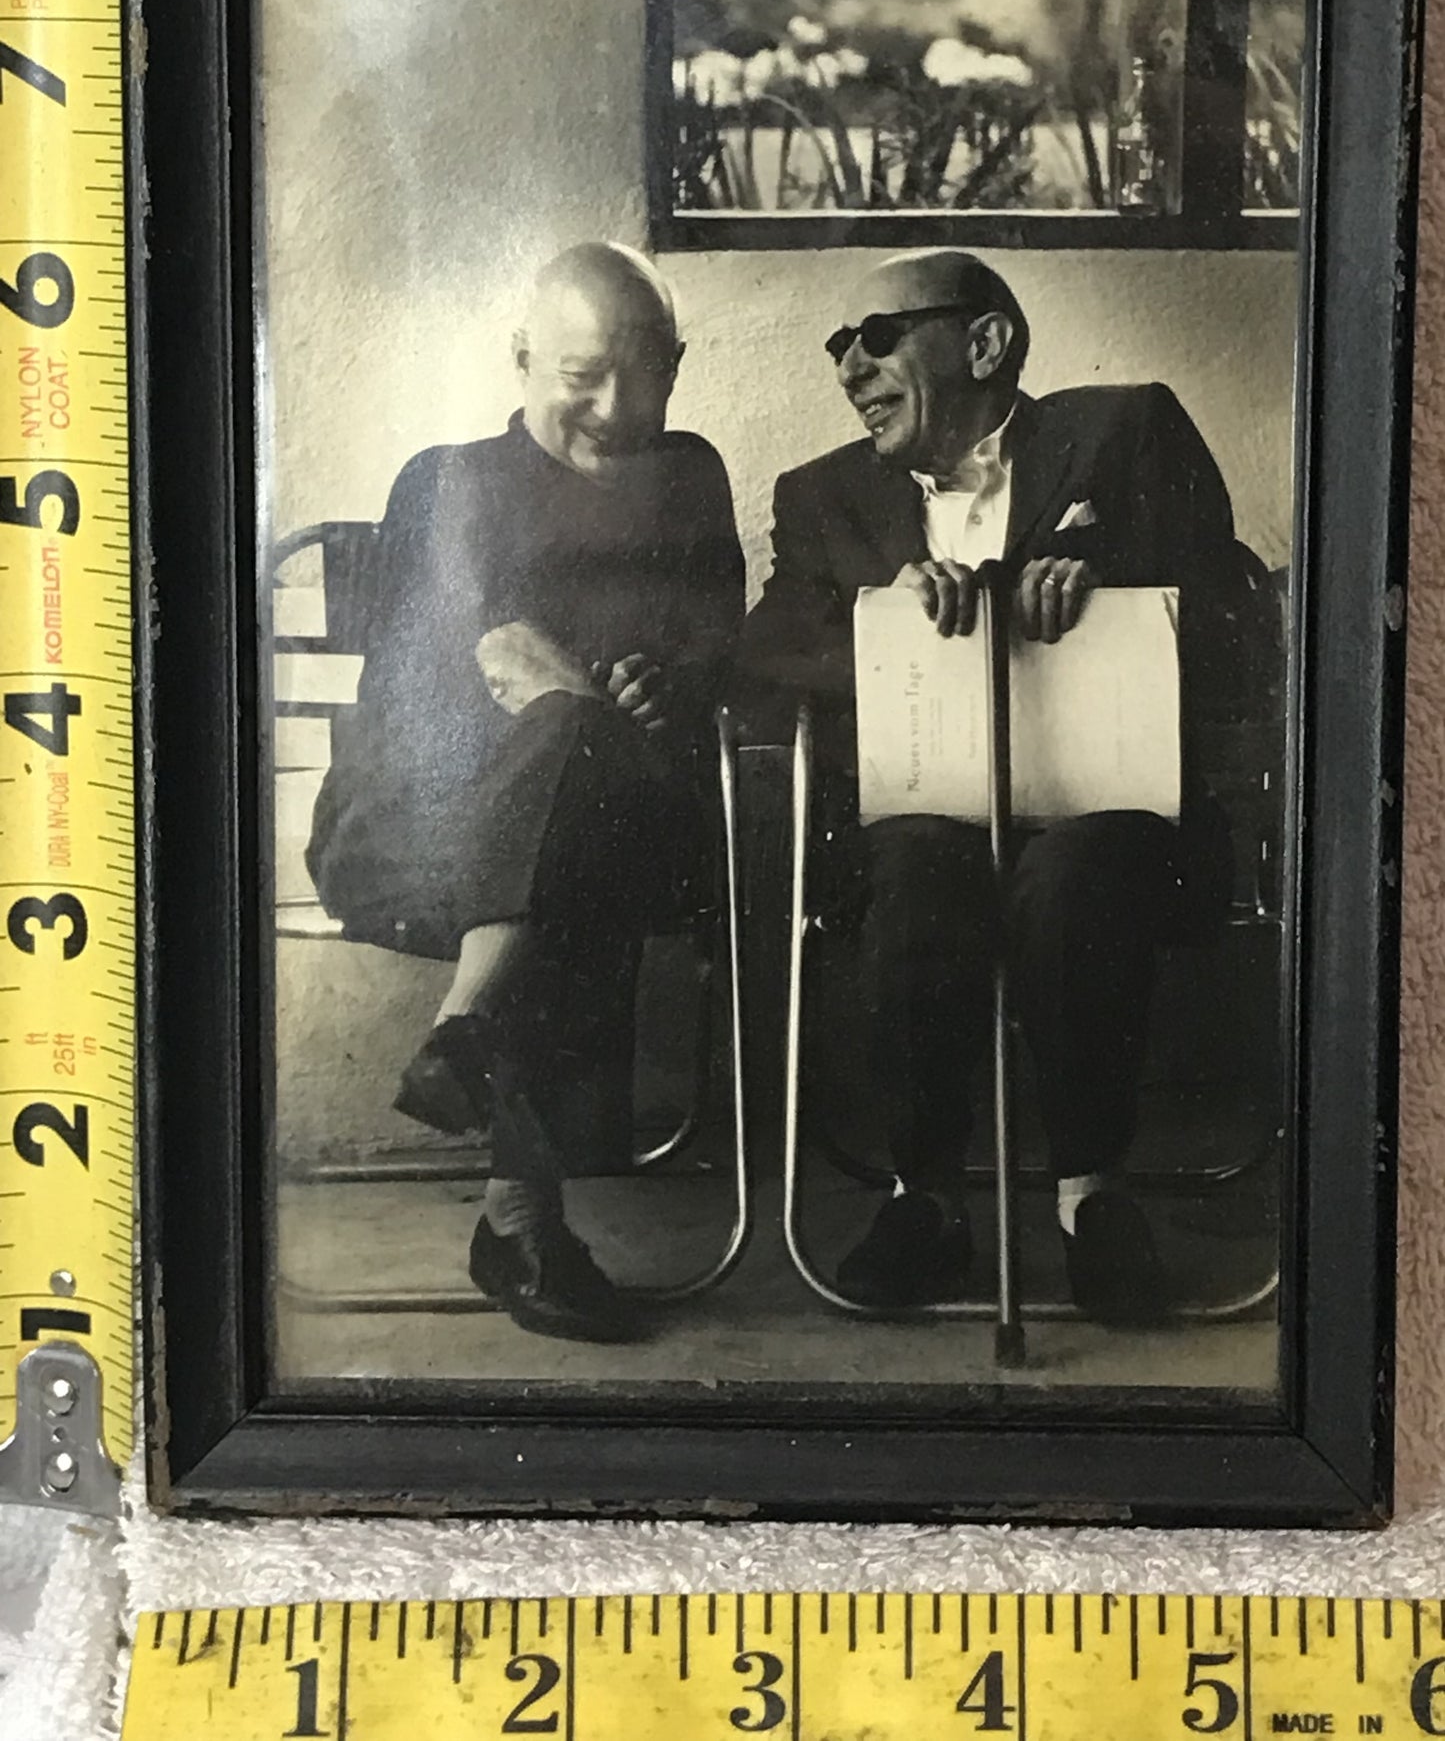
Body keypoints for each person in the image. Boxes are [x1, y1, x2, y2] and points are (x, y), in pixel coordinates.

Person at [739, 248, 1261, 1325]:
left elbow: (1238, 620)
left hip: (1109, 824)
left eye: (876, 334)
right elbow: (759, 659)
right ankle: (923, 1202)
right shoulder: (825, 497)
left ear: (984, 342)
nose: (849, 364)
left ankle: (1090, 1202)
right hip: (921, 826)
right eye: (837, 345)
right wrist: (876, 617)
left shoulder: (1124, 433)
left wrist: (1117, 593)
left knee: (1071, 874)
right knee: (918, 862)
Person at [307, 242, 745, 1344]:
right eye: (581, 373)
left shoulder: (691, 477)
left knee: (586, 783)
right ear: (520, 360)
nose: (614, 404)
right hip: (419, 826)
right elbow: (450, 682)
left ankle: (466, 1036)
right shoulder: (446, 479)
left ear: (678, 368)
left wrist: (671, 688)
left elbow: (715, 651)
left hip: (616, 826)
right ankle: (519, 1217)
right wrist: (562, 711)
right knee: (573, 772)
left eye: (644, 372)